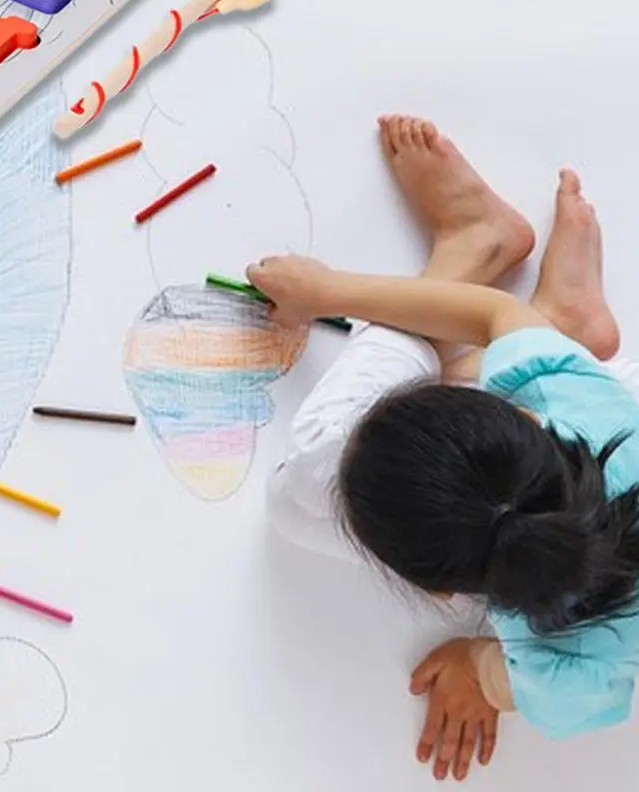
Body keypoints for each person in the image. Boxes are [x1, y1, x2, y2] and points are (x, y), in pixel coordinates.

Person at [256, 116, 639, 782]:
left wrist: (480, 671)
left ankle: (481, 254)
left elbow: (494, 322)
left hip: (601, 398)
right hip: (602, 402)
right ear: (522, 414)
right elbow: (496, 320)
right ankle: (541, 306)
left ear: (437, 590)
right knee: (313, 485)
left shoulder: (568, 671)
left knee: (297, 497)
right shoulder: (575, 403)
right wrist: (329, 291)